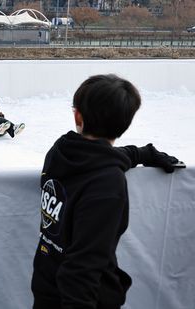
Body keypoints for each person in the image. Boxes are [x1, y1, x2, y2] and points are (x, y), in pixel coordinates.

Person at [31, 74, 184, 309]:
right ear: (125, 123)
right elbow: (83, 266)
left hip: (46, 282)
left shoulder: (61, 151)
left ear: (77, 116)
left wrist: (143, 153)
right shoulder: (107, 182)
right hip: (81, 299)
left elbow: (102, 154)